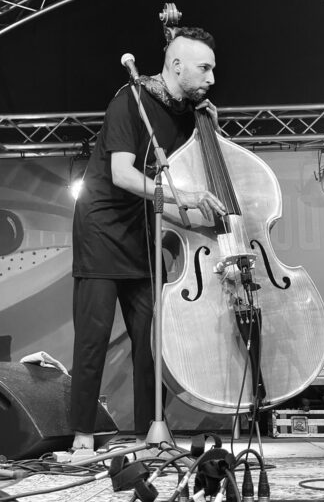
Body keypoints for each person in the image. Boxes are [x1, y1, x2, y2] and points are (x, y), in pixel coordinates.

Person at [70, 26, 226, 450]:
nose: (212, 78)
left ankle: (148, 433)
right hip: (102, 230)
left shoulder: (189, 115)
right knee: (93, 339)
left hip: (145, 231)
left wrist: (212, 131)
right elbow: (122, 173)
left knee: (151, 341)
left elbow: (189, 175)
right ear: (176, 65)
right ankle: (82, 434)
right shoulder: (130, 99)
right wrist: (186, 197)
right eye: (204, 68)